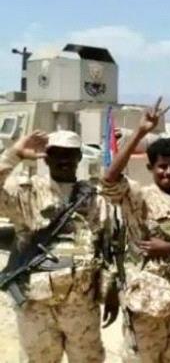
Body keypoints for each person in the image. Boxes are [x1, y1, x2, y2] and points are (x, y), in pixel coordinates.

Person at [101, 98, 170, 362]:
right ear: (150, 167)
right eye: (162, 166)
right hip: (144, 302)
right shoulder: (139, 197)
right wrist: (139, 133)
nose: (168, 172)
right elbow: (109, 181)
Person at [0, 130, 114, 362]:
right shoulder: (27, 193)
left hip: (81, 305)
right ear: (46, 157)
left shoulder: (94, 199)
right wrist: (14, 154)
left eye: (69, 154)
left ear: (79, 157)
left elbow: (106, 247)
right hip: (37, 306)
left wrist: (112, 290)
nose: (63, 160)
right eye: (57, 153)